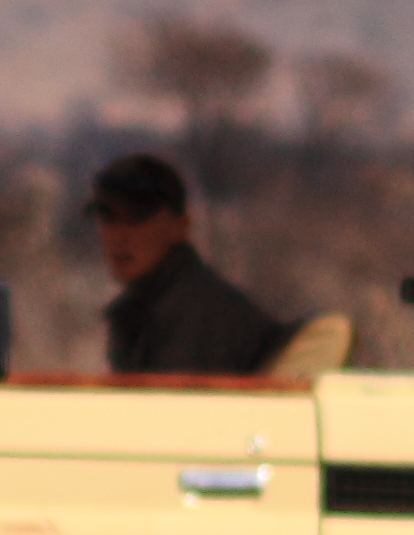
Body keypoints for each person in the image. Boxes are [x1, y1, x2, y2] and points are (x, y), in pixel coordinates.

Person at [87, 152, 295, 376]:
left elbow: (178, 407)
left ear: (180, 226)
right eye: (108, 218)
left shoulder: (200, 317)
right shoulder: (148, 308)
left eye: (137, 219)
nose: (119, 236)